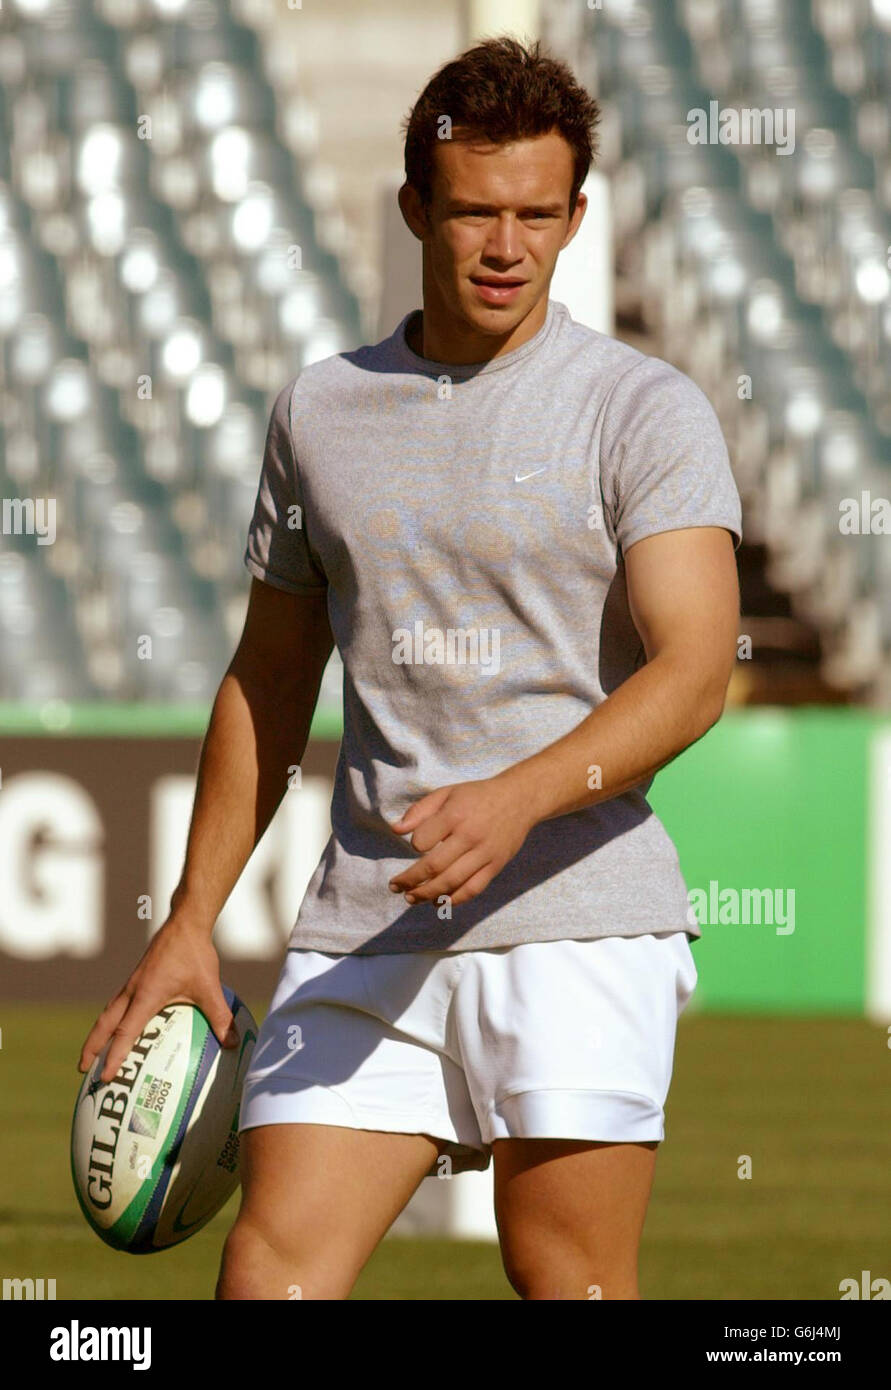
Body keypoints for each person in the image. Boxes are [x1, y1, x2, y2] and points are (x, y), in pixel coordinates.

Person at [78, 35, 741, 1300]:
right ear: (414, 209)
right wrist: (189, 924)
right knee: (266, 1275)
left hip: (578, 917)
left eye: (539, 216)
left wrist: (519, 798)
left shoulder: (642, 408)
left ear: (577, 216)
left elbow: (696, 667)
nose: (508, 247)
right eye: (477, 213)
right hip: (368, 922)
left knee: (568, 1280)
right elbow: (269, 682)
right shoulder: (319, 411)